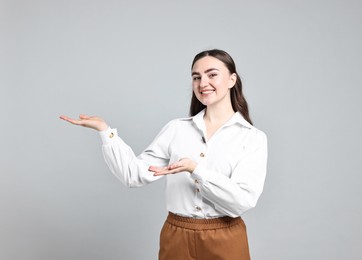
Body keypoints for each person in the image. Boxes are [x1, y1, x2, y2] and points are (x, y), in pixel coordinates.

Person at [60, 49, 267, 260]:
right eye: (196, 77)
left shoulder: (252, 138)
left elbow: (242, 200)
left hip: (226, 238)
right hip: (176, 236)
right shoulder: (176, 130)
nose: (202, 82)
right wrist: (105, 131)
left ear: (232, 79)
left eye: (212, 74)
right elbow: (133, 175)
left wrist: (196, 170)